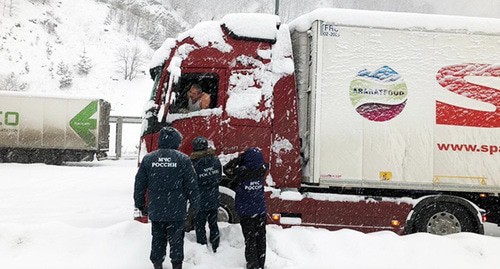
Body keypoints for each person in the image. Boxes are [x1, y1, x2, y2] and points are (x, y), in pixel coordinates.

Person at [134, 126, 200, 269]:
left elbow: (139, 184)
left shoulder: (149, 159)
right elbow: (192, 185)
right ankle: (176, 265)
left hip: (157, 209)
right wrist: (195, 204)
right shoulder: (183, 159)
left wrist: (140, 205)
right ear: (176, 141)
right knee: (177, 241)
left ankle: (157, 264)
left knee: (158, 240)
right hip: (177, 210)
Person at [223, 147, 268, 269]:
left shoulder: (241, 173)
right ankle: (260, 263)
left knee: (250, 240)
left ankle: (252, 265)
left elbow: (226, 169)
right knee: (261, 239)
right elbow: (264, 164)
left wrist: (238, 160)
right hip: (260, 210)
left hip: (246, 211)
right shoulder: (262, 169)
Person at [190, 136, 222, 252]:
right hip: (213, 197)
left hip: (200, 200)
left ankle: (202, 245)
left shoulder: (192, 163)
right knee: (213, 224)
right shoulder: (215, 160)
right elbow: (219, 177)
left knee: (200, 225)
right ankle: (215, 244)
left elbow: (191, 182)